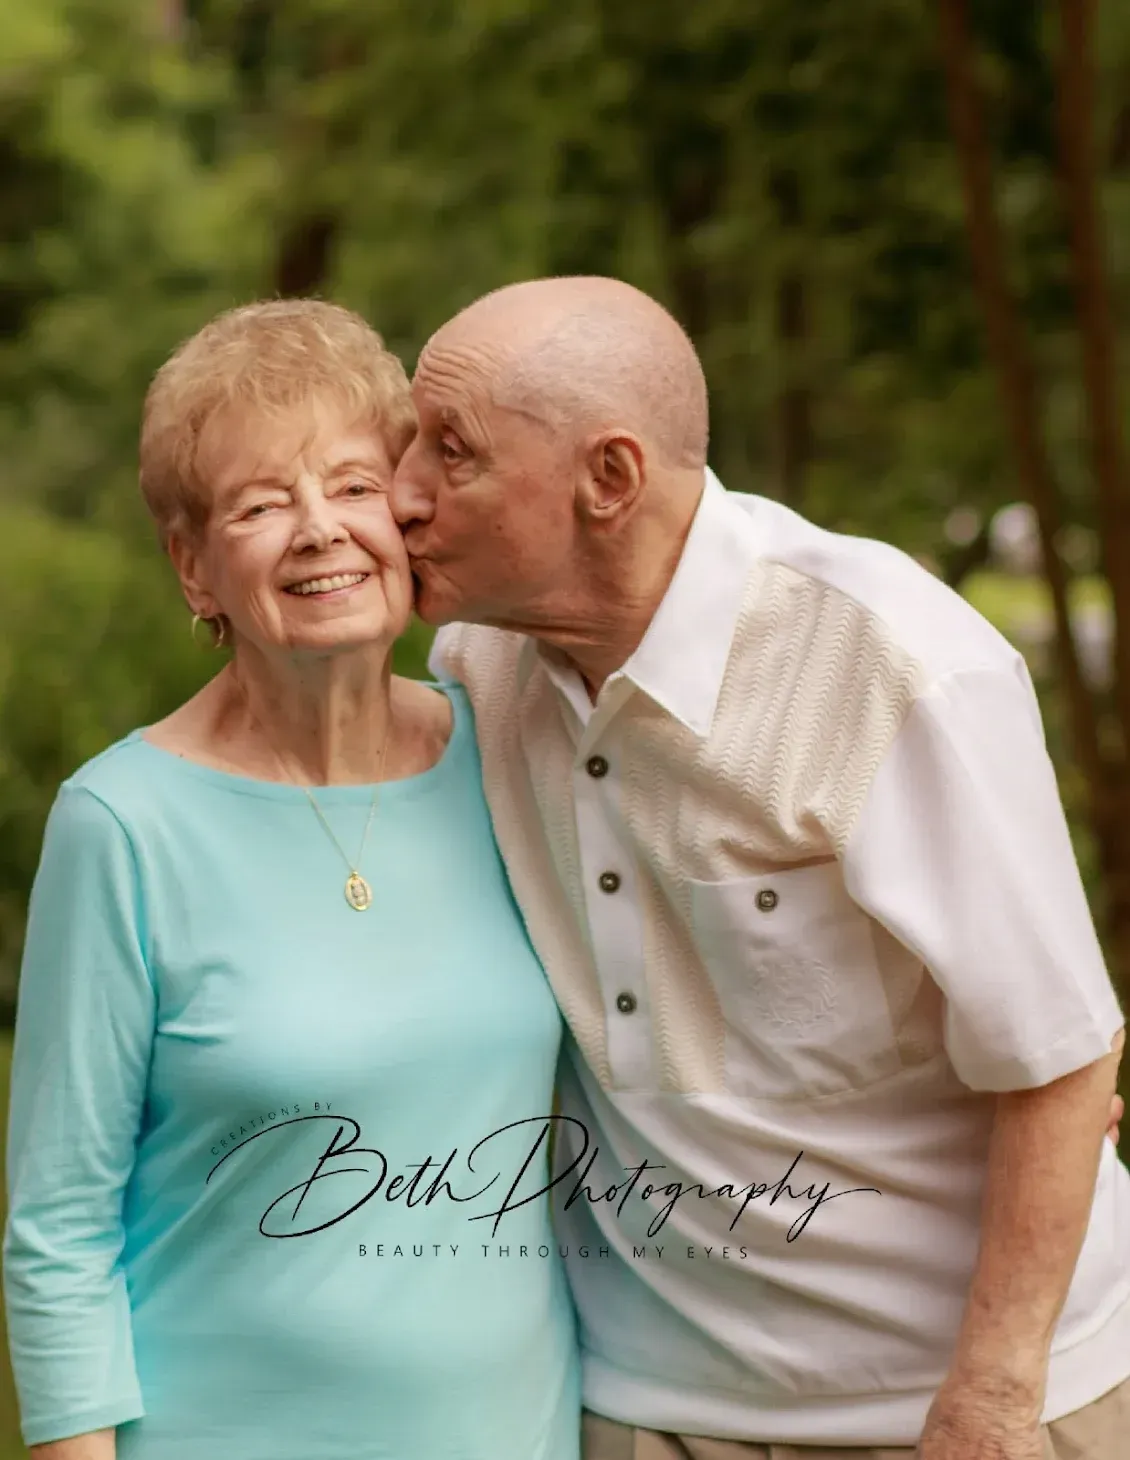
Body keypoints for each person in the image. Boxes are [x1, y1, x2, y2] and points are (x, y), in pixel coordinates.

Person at [390, 275, 1130, 1460]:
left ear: (608, 477)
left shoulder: (893, 664)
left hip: (964, 1402)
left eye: (452, 451)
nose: (400, 492)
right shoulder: (475, 663)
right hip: (643, 1404)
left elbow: (1060, 1057)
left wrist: (988, 1398)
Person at [3, 299, 580, 1460]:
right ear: (194, 566)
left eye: (353, 485)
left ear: (406, 515)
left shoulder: (514, 753)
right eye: (261, 504)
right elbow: (59, 1228)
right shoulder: (124, 824)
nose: (319, 529)